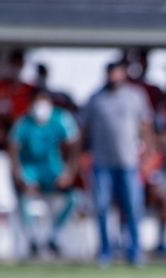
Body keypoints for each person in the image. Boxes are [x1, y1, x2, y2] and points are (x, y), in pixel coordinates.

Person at [81, 60, 154, 266]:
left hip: (129, 162)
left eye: (118, 72)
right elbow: (84, 131)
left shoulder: (135, 96)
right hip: (102, 163)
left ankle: (135, 251)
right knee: (102, 207)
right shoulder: (95, 99)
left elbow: (146, 127)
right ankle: (105, 251)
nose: (114, 76)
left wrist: (147, 156)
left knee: (133, 208)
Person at [8, 88, 81, 256]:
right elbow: (12, 148)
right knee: (25, 198)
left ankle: (53, 238)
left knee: (74, 199)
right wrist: (19, 176)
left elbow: (75, 143)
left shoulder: (60, 118)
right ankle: (32, 240)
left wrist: (69, 172)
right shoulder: (24, 122)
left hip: (52, 167)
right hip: (31, 168)